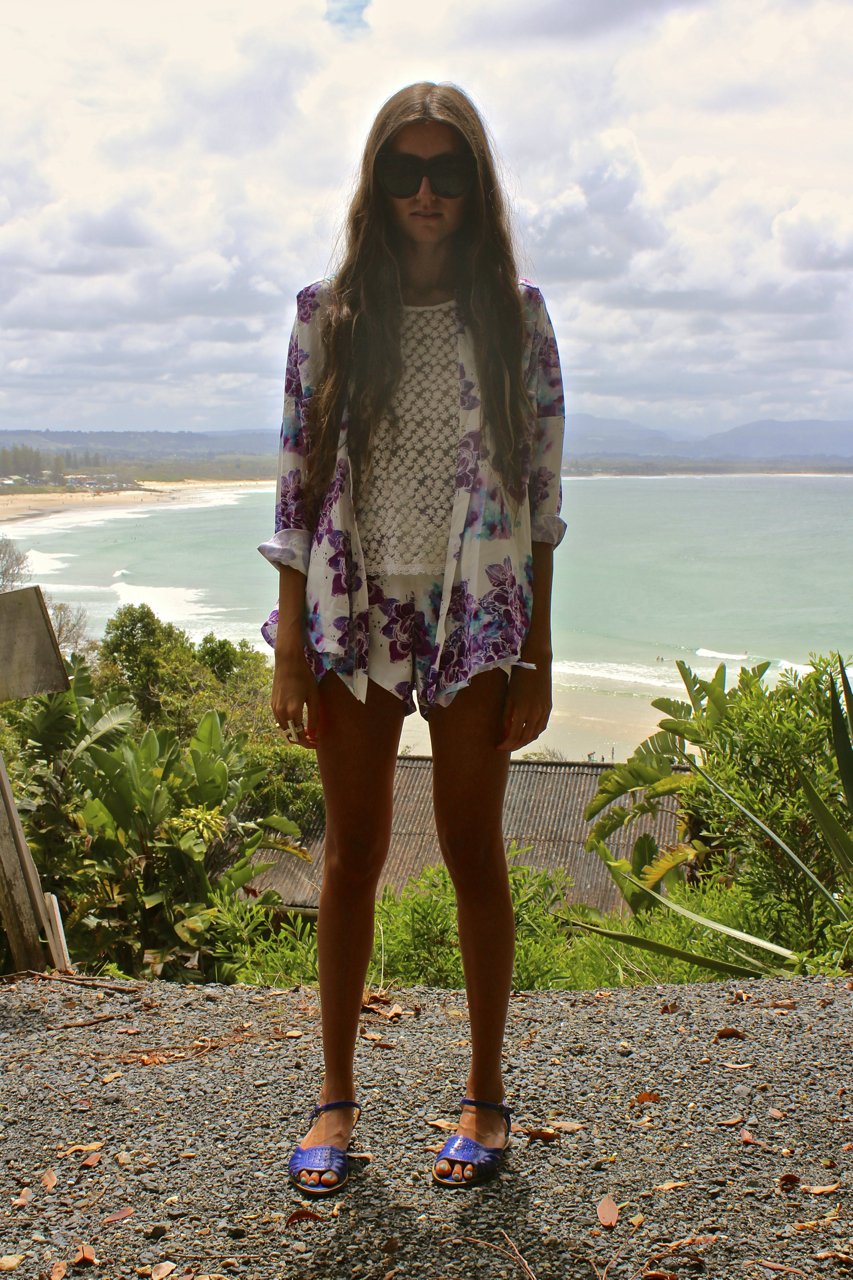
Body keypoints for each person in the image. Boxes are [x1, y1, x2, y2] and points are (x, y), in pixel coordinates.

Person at [258, 81, 565, 1195]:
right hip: (353, 616)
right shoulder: (327, 314)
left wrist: (536, 654)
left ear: (476, 185)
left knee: (474, 852)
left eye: (447, 170)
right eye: (404, 169)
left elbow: (541, 497)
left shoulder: (515, 316)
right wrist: (289, 647)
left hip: (473, 619)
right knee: (351, 855)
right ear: (375, 184)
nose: (425, 191)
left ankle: (485, 1093)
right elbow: (296, 486)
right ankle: (335, 1096)